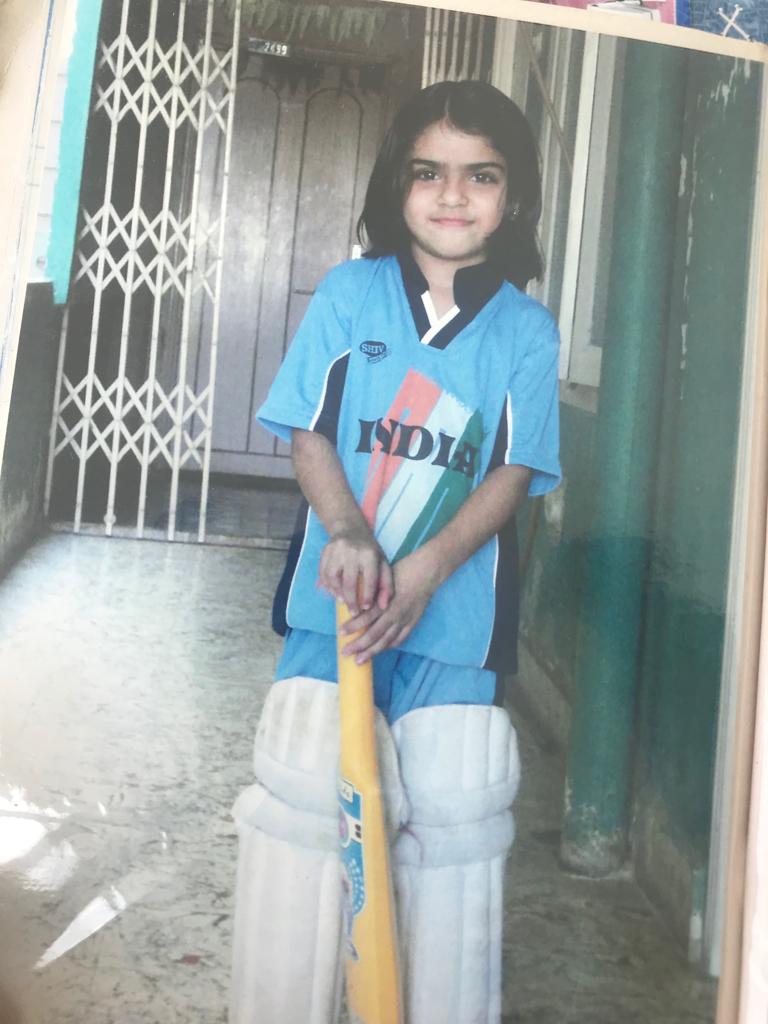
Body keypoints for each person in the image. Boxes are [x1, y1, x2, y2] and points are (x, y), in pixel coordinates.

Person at [229, 80, 561, 1024]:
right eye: (429, 172)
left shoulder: (527, 331)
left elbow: (513, 472)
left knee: (454, 828)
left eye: (481, 175)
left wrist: (426, 572)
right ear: (395, 184)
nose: (453, 195)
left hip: (456, 621)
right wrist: (347, 532)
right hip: (337, 612)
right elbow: (308, 431)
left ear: (515, 195)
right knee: (304, 810)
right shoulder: (351, 293)